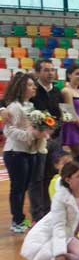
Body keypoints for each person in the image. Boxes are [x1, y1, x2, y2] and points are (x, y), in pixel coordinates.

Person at [21, 161, 79, 260]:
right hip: (65, 234)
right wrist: (60, 255)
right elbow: (59, 227)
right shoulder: (60, 198)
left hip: (78, 232)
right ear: (68, 180)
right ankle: (60, 256)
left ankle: (78, 249)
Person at [3, 73, 50, 232]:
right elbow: (9, 130)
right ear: (22, 87)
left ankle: (21, 219)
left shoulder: (30, 106)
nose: (34, 87)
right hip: (16, 152)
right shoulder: (15, 107)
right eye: (30, 85)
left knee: (24, 187)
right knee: (18, 187)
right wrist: (30, 135)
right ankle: (17, 221)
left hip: (30, 152)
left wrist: (43, 132)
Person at [31, 59, 64, 210]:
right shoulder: (32, 90)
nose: (50, 73)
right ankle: (38, 212)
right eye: (46, 70)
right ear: (37, 72)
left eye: (52, 70)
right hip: (37, 141)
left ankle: (49, 208)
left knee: (52, 175)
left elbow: (67, 114)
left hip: (56, 139)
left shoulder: (58, 91)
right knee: (37, 178)